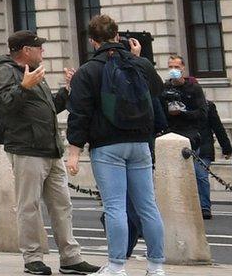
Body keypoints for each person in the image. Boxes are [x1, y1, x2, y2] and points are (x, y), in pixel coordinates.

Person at [66, 15, 167, 276]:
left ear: (92, 40)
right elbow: (157, 90)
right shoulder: (139, 64)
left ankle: (117, 266)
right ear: (117, 35)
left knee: (114, 207)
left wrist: (74, 152)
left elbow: (80, 114)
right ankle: (156, 267)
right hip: (140, 142)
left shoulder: (88, 71)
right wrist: (139, 57)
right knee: (148, 206)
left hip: (107, 145)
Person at [0, 32, 97, 275]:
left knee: (62, 205)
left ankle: (70, 258)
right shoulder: (7, 72)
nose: (43, 52)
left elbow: (49, 107)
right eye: (39, 48)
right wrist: (23, 87)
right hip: (27, 149)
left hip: (50, 148)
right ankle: (32, 258)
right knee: (29, 206)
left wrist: (67, 91)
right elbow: (2, 107)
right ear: (26, 50)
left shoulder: (34, 70)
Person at [161, 54, 232, 219]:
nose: (173, 70)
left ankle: (204, 207)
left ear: (183, 68)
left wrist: (226, 146)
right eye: (170, 66)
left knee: (200, 174)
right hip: (176, 137)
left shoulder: (196, 92)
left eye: (177, 67)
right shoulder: (165, 89)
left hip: (199, 140)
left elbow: (214, 124)